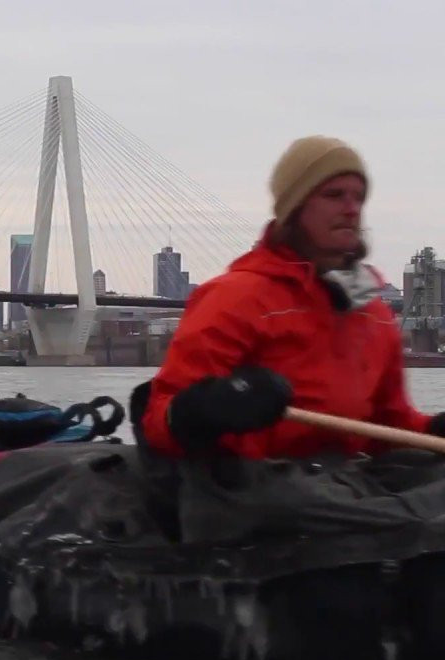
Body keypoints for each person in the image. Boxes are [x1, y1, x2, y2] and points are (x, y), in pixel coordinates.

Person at [139, 136, 444, 459]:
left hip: (341, 487)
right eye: (334, 195)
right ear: (295, 206)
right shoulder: (235, 298)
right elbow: (158, 421)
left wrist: (432, 430)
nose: (352, 209)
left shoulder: (372, 313)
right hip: (249, 489)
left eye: (358, 198)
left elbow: (388, 427)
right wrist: (207, 407)